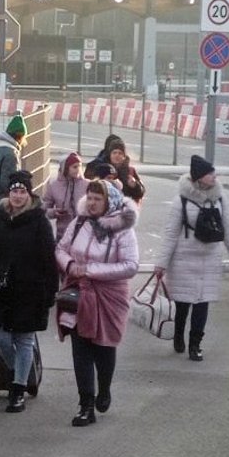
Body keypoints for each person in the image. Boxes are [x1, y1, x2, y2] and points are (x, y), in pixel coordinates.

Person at [55, 179, 140, 426]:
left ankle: (104, 389)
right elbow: (60, 248)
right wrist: (70, 265)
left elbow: (131, 265)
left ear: (108, 202)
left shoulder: (122, 229)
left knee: (104, 347)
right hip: (79, 292)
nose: (91, 203)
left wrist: (91, 270)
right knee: (80, 347)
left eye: (97, 199)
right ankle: (86, 405)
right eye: (89, 198)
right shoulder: (79, 221)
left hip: (109, 296)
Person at [154, 156, 229, 361]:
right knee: (183, 304)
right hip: (184, 260)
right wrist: (161, 264)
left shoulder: (220, 199)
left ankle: (195, 344)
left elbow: (228, 229)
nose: (215, 176)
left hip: (210, 260)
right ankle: (178, 335)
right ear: (199, 177)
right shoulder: (181, 200)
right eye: (210, 173)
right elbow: (170, 233)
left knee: (202, 304)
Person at [0, 170, 59, 413]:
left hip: (31, 289)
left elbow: (49, 257)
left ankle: (18, 389)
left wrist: (50, 291)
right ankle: (21, 370)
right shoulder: (0, 217)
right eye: (14, 191)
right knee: (1, 339)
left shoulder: (38, 220)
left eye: (22, 191)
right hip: (4, 291)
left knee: (24, 339)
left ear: (29, 194)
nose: (17, 196)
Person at [44, 151, 89, 242]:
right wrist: (53, 212)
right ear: (65, 168)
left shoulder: (87, 185)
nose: (78, 169)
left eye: (79, 166)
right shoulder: (54, 186)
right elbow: (44, 208)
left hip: (84, 233)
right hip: (63, 233)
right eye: (74, 167)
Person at [95, 134, 146, 203]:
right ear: (110, 155)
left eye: (120, 153)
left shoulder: (130, 171)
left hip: (125, 209)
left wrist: (135, 185)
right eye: (114, 153)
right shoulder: (102, 169)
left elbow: (141, 193)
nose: (117, 155)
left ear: (124, 156)